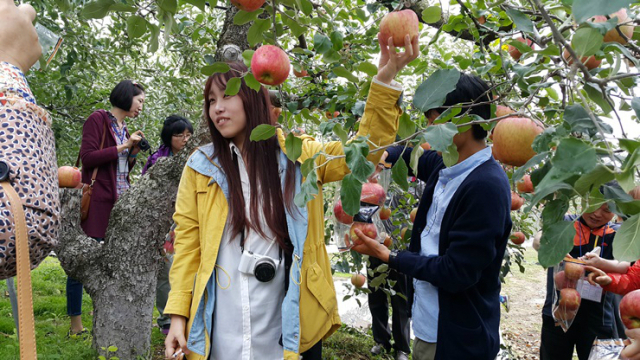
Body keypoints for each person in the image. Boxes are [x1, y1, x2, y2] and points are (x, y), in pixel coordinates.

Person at [163, 34, 419, 360]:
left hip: (283, 324)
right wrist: (177, 318)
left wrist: (383, 84)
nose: (217, 108)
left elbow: (363, 153)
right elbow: (188, 247)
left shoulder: (299, 158)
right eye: (211, 101)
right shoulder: (201, 167)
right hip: (221, 324)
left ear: (254, 98)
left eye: (225, 96)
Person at [351, 73, 512, 360]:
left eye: (433, 119)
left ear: (464, 119)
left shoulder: (484, 185)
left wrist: (390, 257)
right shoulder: (447, 163)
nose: (427, 129)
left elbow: (456, 273)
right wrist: (380, 157)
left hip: (455, 340)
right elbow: (407, 156)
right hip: (431, 326)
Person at [67, 80, 146, 337]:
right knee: (82, 260)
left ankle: (104, 314)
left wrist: (131, 152)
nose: (141, 107)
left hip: (121, 200)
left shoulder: (124, 128)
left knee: (112, 262)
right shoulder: (98, 119)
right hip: (99, 199)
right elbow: (88, 158)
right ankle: (76, 325)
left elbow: (121, 170)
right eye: (140, 101)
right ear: (126, 97)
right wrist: (123, 146)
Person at [537, 201, 619, 360]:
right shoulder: (564, 224)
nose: (597, 214)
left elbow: (628, 264)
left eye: (607, 210)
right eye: (593, 205)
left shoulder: (616, 234)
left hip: (597, 319)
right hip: (558, 315)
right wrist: (543, 242)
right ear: (583, 201)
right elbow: (540, 238)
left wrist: (602, 264)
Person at [141, 115, 194, 335]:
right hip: (165, 222)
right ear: (168, 137)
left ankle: (186, 313)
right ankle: (165, 318)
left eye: (188, 135)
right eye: (179, 135)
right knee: (166, 269)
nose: (185, 139)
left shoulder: (196, 158)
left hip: (189, 219)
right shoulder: (158, 160)